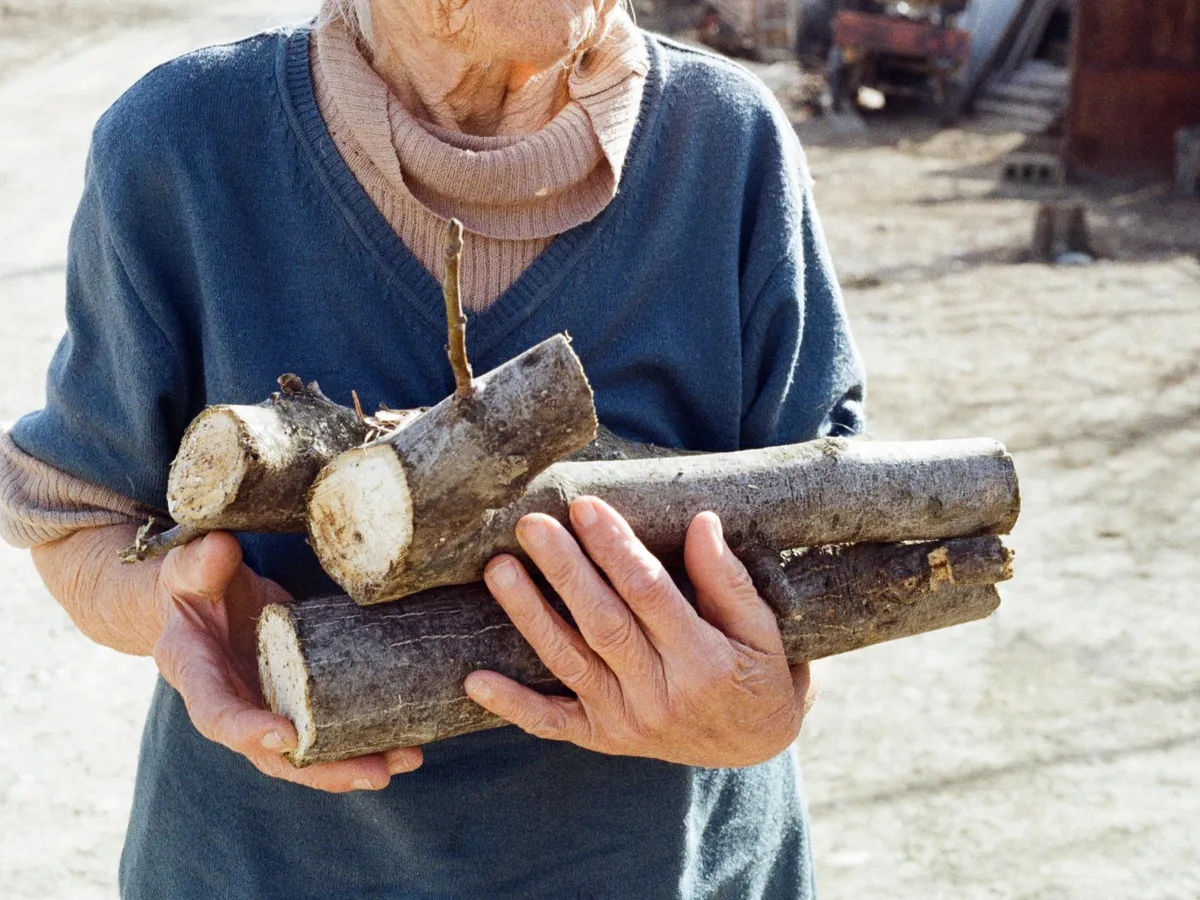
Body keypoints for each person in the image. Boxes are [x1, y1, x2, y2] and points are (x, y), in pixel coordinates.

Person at [0, 0, 865, 896]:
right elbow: (77, 516)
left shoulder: (728, 144)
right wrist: (173, 614)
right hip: (268, 869)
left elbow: (829, 553)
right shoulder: (184, 141)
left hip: (662, 868)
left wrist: (765, 711)